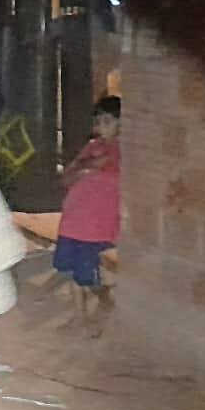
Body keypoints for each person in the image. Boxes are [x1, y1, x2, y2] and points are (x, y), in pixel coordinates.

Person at [53, 96, 121, 324]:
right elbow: (66, 179)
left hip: (95, 226)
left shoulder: (123, 152)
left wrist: (87, 168)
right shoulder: (93, 148)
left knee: (87, 275)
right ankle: (80, 316)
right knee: (72, 271)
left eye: (107, 121)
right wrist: (88, 166)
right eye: (98, 121)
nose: (101, 126)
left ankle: (104, 302)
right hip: (74, 221)